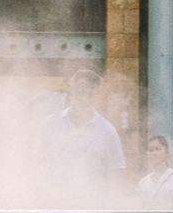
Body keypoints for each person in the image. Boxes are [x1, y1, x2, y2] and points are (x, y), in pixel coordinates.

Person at [43, 69, 127, 197]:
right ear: (72, 91)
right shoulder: (50, 124)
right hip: (54, 202)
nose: (84, 98)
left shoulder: (107, 131)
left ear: (97, 95)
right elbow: (35, 161)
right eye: (80, 92)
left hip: (91, 206)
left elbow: (116, 172)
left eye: (90, 94)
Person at [137, 135, 173, 206]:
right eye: (150, 150)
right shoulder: (143, 182)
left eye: (158, 149)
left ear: (167, 152)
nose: (154, 153)